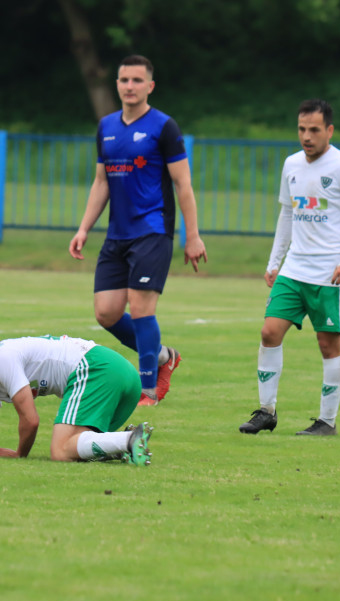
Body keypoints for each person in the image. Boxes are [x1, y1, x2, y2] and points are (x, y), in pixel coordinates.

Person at [69, 54, 206, 407]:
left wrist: (192, 236)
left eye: (136, 80)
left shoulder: (164, 127)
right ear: (117, 84)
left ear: (150, 86)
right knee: (106, 313)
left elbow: (183, 184)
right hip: (117, 235)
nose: (130, 86)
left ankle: (148, 391)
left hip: (153, 231)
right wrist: (84, 228)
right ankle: (163, 357)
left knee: (142, 309)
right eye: (124, 80)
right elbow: (101, 182)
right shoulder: (106, 127)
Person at [239, 99, 340, 437]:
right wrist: (275, 262)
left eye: (314, 130)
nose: (307, 136)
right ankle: (266, 411)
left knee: (328, 345)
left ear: (329, 130)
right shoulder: (291, 165)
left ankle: (326, 422)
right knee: (269, 332)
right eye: (302, 129)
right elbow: (287, 215)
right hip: (294, 269)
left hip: (331, 274)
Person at [0, 335, 152, 465]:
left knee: (60, 451)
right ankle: (121, 446)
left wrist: (19, 454)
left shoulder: (2, 361)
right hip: (122, 375)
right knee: (75, 448)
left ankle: (129, 440)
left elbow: (30, 420)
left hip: (97, 368)